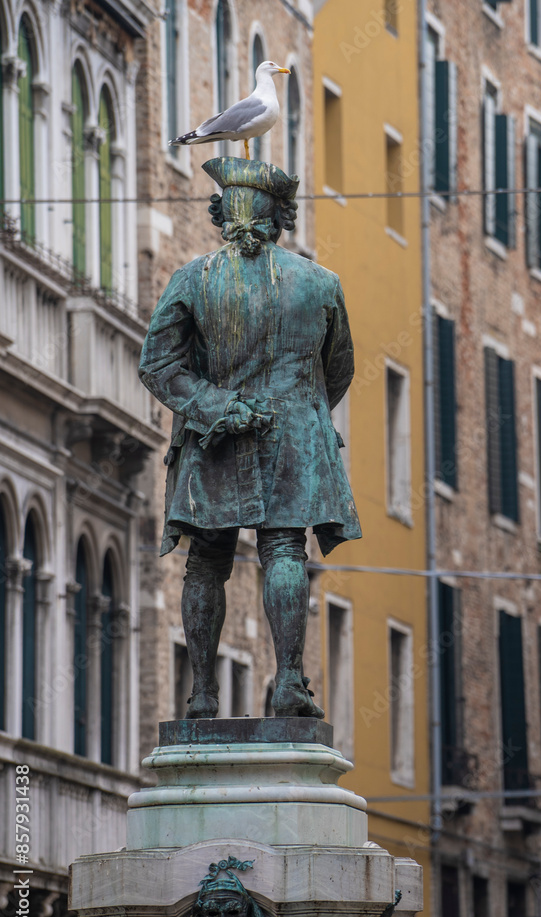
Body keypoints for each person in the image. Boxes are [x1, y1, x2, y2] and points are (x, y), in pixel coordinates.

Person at [139, 157, 361, 720]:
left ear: (221, 213)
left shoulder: (193, 279)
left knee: (206, 562)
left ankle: (202, 694)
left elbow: (158, 364)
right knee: (285, 548)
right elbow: (337, 372)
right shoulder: (321, 283)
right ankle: (289, 680)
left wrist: (215, 405)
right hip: (293, 439)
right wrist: (302, 419)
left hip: (213, 438)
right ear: (278, 216)